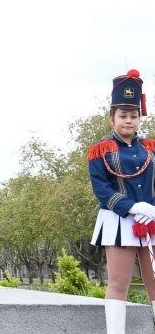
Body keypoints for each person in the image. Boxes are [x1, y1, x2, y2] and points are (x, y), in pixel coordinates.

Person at [88, 69, 155, 333]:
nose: (129, 121)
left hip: (151, 220)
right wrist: (131, 206)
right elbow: (102, 190)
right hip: (118, 222)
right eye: (123, 116)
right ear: (112, 117)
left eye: (133, 115)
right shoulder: (100, 150)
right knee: (119, 282)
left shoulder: (150, 149)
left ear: (140, 117)